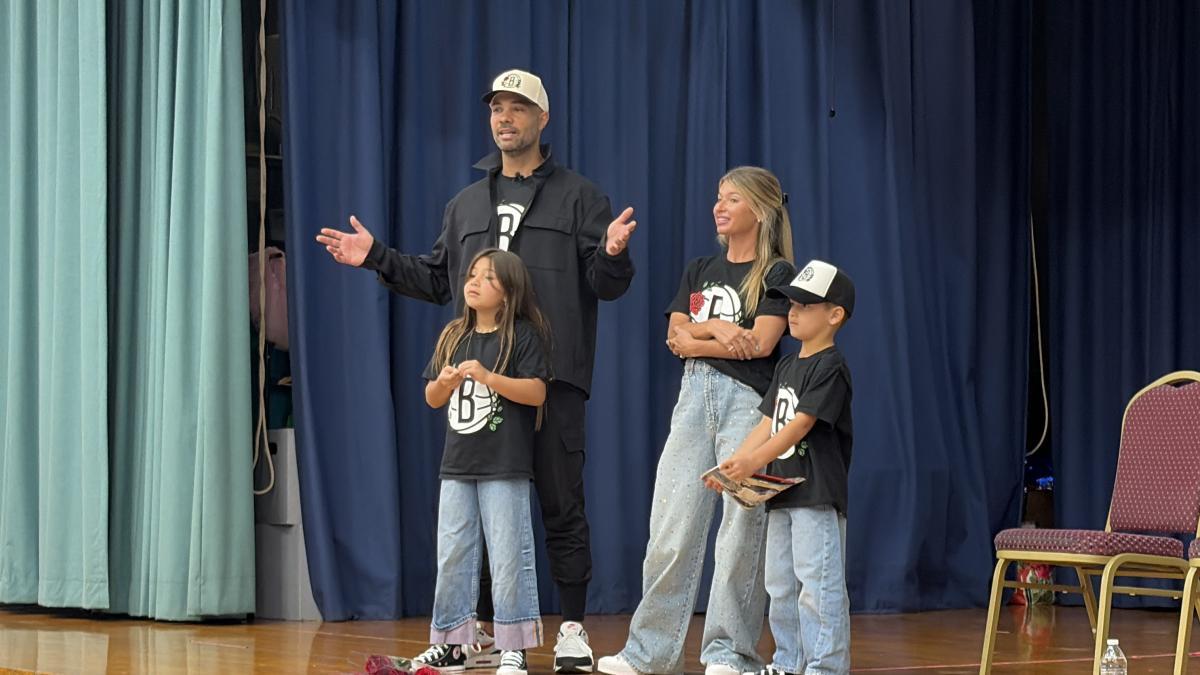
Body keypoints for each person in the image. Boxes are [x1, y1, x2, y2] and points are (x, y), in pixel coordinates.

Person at [316, 68, 636, 672]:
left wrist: (614, 254)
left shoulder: (579, 196)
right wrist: (375, 258)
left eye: (518, 107)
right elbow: (440, 279)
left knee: (562, 505)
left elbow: (605, 284)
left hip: (550, 379)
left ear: (543, 119)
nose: (505, 118)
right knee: (484, 511)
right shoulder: (465, 204)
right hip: (479, 385)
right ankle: (480, 632)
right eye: (497, 107)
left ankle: (570, 627)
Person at [597, 167, 795, 675]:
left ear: (760, 209)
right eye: (718, 197)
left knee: (740, 531)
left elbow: (764, 343)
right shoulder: (700, 267)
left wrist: (709, 337)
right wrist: (721, 327)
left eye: (732, 198)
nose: (719, 206)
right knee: (670, 525)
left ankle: (730, 654)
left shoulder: (776, 274)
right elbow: (677, 338)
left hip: (749, 405)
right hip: (693, 399)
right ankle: (650, 652)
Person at [710, 259, 856, 675]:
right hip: (781, 493)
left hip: (816, 494)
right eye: (791, 303)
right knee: (780, 584)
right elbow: (766, 421)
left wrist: (753, 460)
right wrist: (735, 462)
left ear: (835, 315)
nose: (792, 311)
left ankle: (825, 666)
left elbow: (801, 423)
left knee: (818, 584)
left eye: (806, 305)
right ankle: (788, 661)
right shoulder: (788, 366)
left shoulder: (831, 366)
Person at [413, 249, 550, 675]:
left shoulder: (523, 336)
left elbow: (537, 393)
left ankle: (513, 646)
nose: (473, 282)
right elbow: (432, 398)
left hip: (504, 465)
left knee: (510, 556)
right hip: (457, 466)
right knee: (453, 553)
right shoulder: (455, 334)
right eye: (472, 274)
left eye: (487, 278)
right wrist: (445, 382)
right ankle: (452, 642)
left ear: (508, 293)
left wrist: (489, 378)